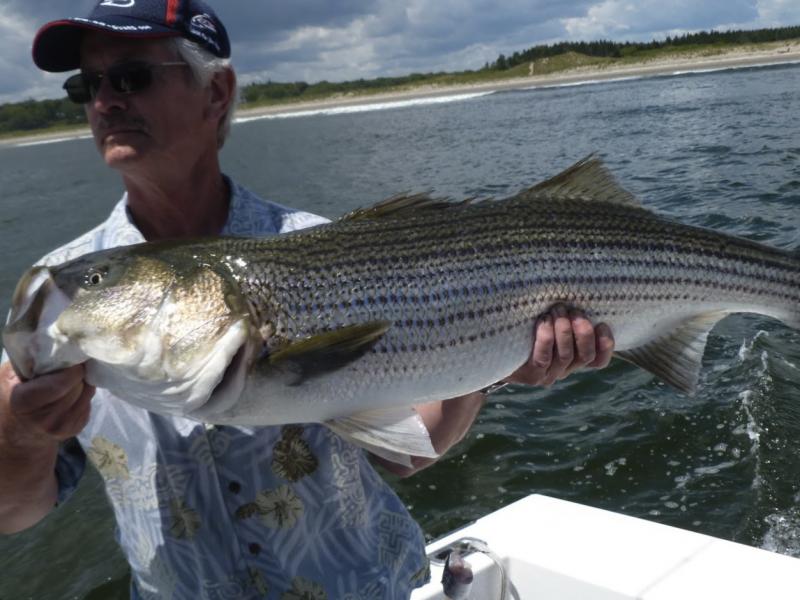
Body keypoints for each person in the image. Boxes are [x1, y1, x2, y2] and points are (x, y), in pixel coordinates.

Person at [0, 1, 615, 598]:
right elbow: (13, 511)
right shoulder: (61, 293)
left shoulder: (328, 244)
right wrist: (22, 433)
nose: (106, 101)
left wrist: (492, 358)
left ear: (216, 94)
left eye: (132, 77)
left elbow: (409, 451)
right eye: (88, 84)